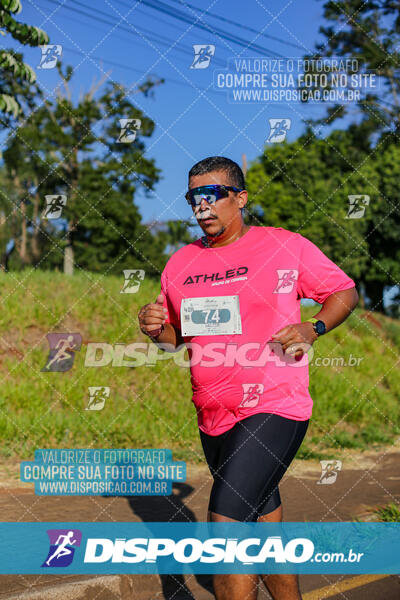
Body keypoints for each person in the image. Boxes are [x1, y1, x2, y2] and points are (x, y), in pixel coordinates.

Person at [138, 156, 359, 600]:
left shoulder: (283, 245)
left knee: (227, 527)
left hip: (274, 404)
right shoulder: (180, 263)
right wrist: (153, 327)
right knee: (264, 530)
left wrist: (312, 328)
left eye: (211, 194)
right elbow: (175, 339)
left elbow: (343, 291)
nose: (201, 206)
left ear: (239, 198)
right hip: (213, 413)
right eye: (192, 197)